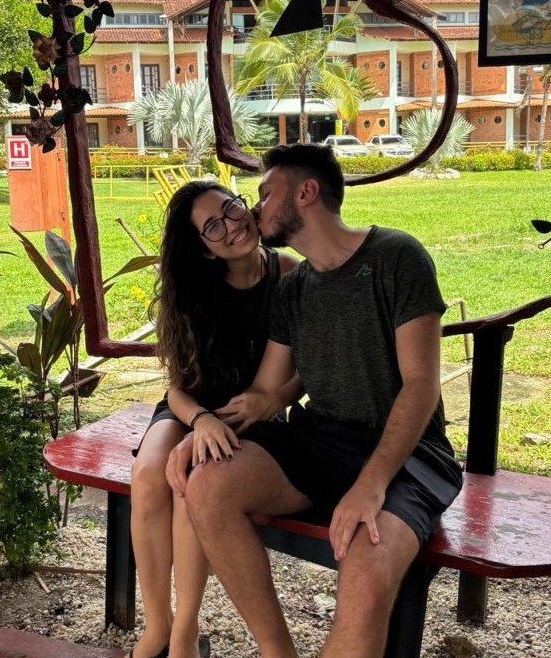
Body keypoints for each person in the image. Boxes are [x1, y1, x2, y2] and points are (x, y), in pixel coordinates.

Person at [166, 144, 463, 658]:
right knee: (208, 486)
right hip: (321, 440)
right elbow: (264, 393)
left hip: (410, 456)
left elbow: (421, 385)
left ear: (306, 193)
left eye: (265, 193)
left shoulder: (396, 257)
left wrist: (371, 484)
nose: (254, 208)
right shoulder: (294, 289)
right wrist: (204, 428)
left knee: (366, 573)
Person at [128, 179, 299, 658]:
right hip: (194, 407)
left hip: (251, 416)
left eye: (231, 209)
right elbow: (177, 387)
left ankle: (185, 630)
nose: (231, 226)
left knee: (190, 482)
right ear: (203, 247)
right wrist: (201, 419)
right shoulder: (196, 289)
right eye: (213, 226)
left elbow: (307, 368)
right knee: (148, 474)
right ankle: (157, 626)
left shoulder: (287, 273)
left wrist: (275, 400)